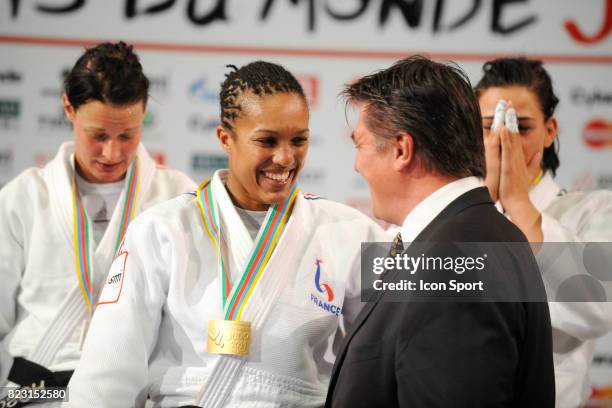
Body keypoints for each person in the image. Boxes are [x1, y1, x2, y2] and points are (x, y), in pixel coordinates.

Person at [66, 61, 387, 407]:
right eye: (267, 141)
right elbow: (110, 367)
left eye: (299, 140)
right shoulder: (162, 229)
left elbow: (393, 350)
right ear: (225, 138)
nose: (285, 157)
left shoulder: (351, 232)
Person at [324, 56, 555, 407]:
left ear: (401, 149)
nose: (357, 164)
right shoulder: (479, 236)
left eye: (360, 145)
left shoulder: (452, 258)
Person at [0, 41, 195, 404]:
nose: (113, 152)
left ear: (144, 112)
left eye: (127, 135)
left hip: (128, 393)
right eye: (99, 135)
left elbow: (188, 321)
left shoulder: (177, 197)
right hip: (34, 388)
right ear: (68, 108)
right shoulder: (23, 197)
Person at [475, 56, 612, 408]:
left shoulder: (594, 209)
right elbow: (407, 292)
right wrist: (480, 205)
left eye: (520, 126)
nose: (504, 139)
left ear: (550, 131)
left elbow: (596, 308)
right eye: (490, 126)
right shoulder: (443, 209)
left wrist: (520, 203)